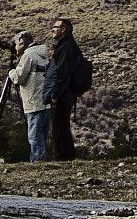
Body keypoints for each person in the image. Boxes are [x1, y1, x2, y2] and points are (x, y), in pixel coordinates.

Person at [45, 15, 91, 161]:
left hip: (64, 92)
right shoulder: (67, 46)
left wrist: (55, 93)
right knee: (60, 124)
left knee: (60, 125)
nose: (52, 29)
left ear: (63, 30)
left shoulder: (66, 48)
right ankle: (64, 155)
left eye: (56, 27)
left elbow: (62, 73)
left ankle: (63, 156)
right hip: (67, 91)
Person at [8, 30, 51, 162]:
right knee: (42, 135)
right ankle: (41, 161)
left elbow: (19, 78)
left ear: (22, 43)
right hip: (45, 101)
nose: (14, 47)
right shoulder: (42, 53)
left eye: (15, 44)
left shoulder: (28, 56)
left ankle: (37, 163)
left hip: (34, 102)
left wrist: (11, 71)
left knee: (34, 137)